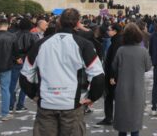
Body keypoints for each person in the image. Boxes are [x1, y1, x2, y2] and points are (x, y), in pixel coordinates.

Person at [20, 8, 105, 136]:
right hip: (72, 104)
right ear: (77, 23)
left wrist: (34, 96)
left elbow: (25, 76)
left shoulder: (41, 44)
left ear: (59, 21)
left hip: (47, 103)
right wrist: (92, 97)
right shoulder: (84, 45)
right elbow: (98, 76)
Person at [111, 23, 152, 136]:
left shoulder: (121, 50)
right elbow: (148, 67)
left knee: (122, 122)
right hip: (138, 88)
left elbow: (114, 66)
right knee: (135, 121)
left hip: (122, 88)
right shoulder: (143, 51)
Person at [96, 23, 123, 126]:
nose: (108, 31)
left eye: (109, 29)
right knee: (112, 96)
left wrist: (112, 76)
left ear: (115, 31)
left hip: (113, 75)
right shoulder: (117, 40)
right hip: (114, 74)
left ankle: (109, 118)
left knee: (110, 96)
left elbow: (114, 60)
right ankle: (112, 117)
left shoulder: (117, 42)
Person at [10, 17, 38, 113]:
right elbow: (35, 50)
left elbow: (11, 50)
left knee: (12, 83)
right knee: (25, 83)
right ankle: (20, 104)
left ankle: (10, 103)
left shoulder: (14, 35)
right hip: (28, 61)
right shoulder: (33, 36)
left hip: (16, 60)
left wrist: (16, 58)